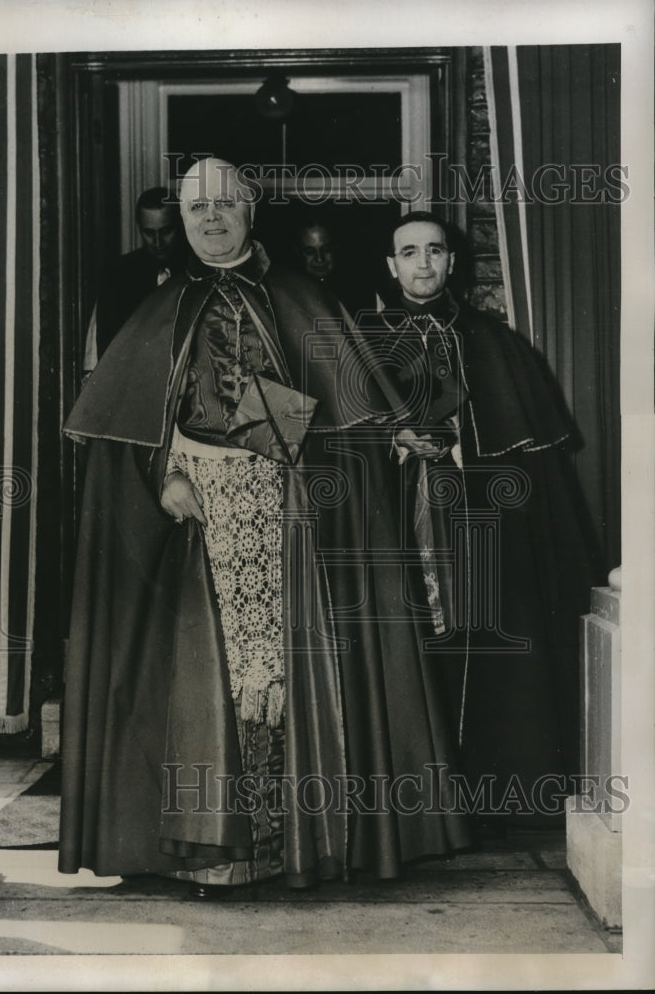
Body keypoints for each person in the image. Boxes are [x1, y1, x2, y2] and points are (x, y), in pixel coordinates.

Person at [58, 161, 470, 896]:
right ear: (181, 220)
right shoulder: (157, 309)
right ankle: (209, 845)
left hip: (292, 514)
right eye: (195, 208)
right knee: (203, 674)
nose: (210, 218)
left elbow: (350, 415)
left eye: (225, 204)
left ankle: (297, 843)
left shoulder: (302, 297)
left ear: (251, 211)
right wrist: (167, 476)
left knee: (286, 671)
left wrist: (362, 445)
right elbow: (124, 435)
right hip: (193, 515)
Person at [352, 210, 601, 825]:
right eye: (409, 252)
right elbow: (338, 440)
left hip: (479, 525)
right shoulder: (362, 339)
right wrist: (397, 442)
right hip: (399, 526)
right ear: (391, 266)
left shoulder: (494, 341)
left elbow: (522, 453)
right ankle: (415, 808)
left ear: (452, 262)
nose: (423, 263)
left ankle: (492, 799)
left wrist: (463, 444)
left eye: (434, 251)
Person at [82, 186, 187, 371]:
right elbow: (101, 352)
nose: (157, 242)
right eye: (149, 232)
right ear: (139, 228)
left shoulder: (198, 271)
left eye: (166, 231)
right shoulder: (117, 275)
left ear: (180, 225)